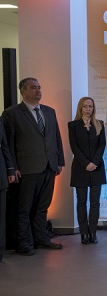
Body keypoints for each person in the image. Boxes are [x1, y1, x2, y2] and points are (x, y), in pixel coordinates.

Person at [2, 78, 65, 256]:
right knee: (24, 208)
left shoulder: (49, 111)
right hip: (26, 168)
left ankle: (41, 238)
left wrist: (59, 161)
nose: (38, 91)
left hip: (49, 166)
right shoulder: (11, 114)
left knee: (43, 206)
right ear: (22, 91)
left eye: (39, 87)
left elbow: (56, 138)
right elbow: (8, 143)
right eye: (33, 88)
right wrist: (12, 167)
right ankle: (23, 243)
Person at [67, 97, 106, 245]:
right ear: (80, 108)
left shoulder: (99, 124)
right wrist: (86, 163)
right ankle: (84, 233)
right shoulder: (73, 125)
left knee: (95, 202)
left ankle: (93, 232)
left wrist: (94, 163)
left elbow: (102, 145)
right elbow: (74, 147)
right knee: (81, 202)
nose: (88, 109)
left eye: (90, 106)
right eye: (85, 106)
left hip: (97, 168)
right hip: (80, 168)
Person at [0, 123, 16, 262]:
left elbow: (4, 146)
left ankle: (0, 250)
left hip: (0, 177)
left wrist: (10, 169)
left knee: (1, 216)